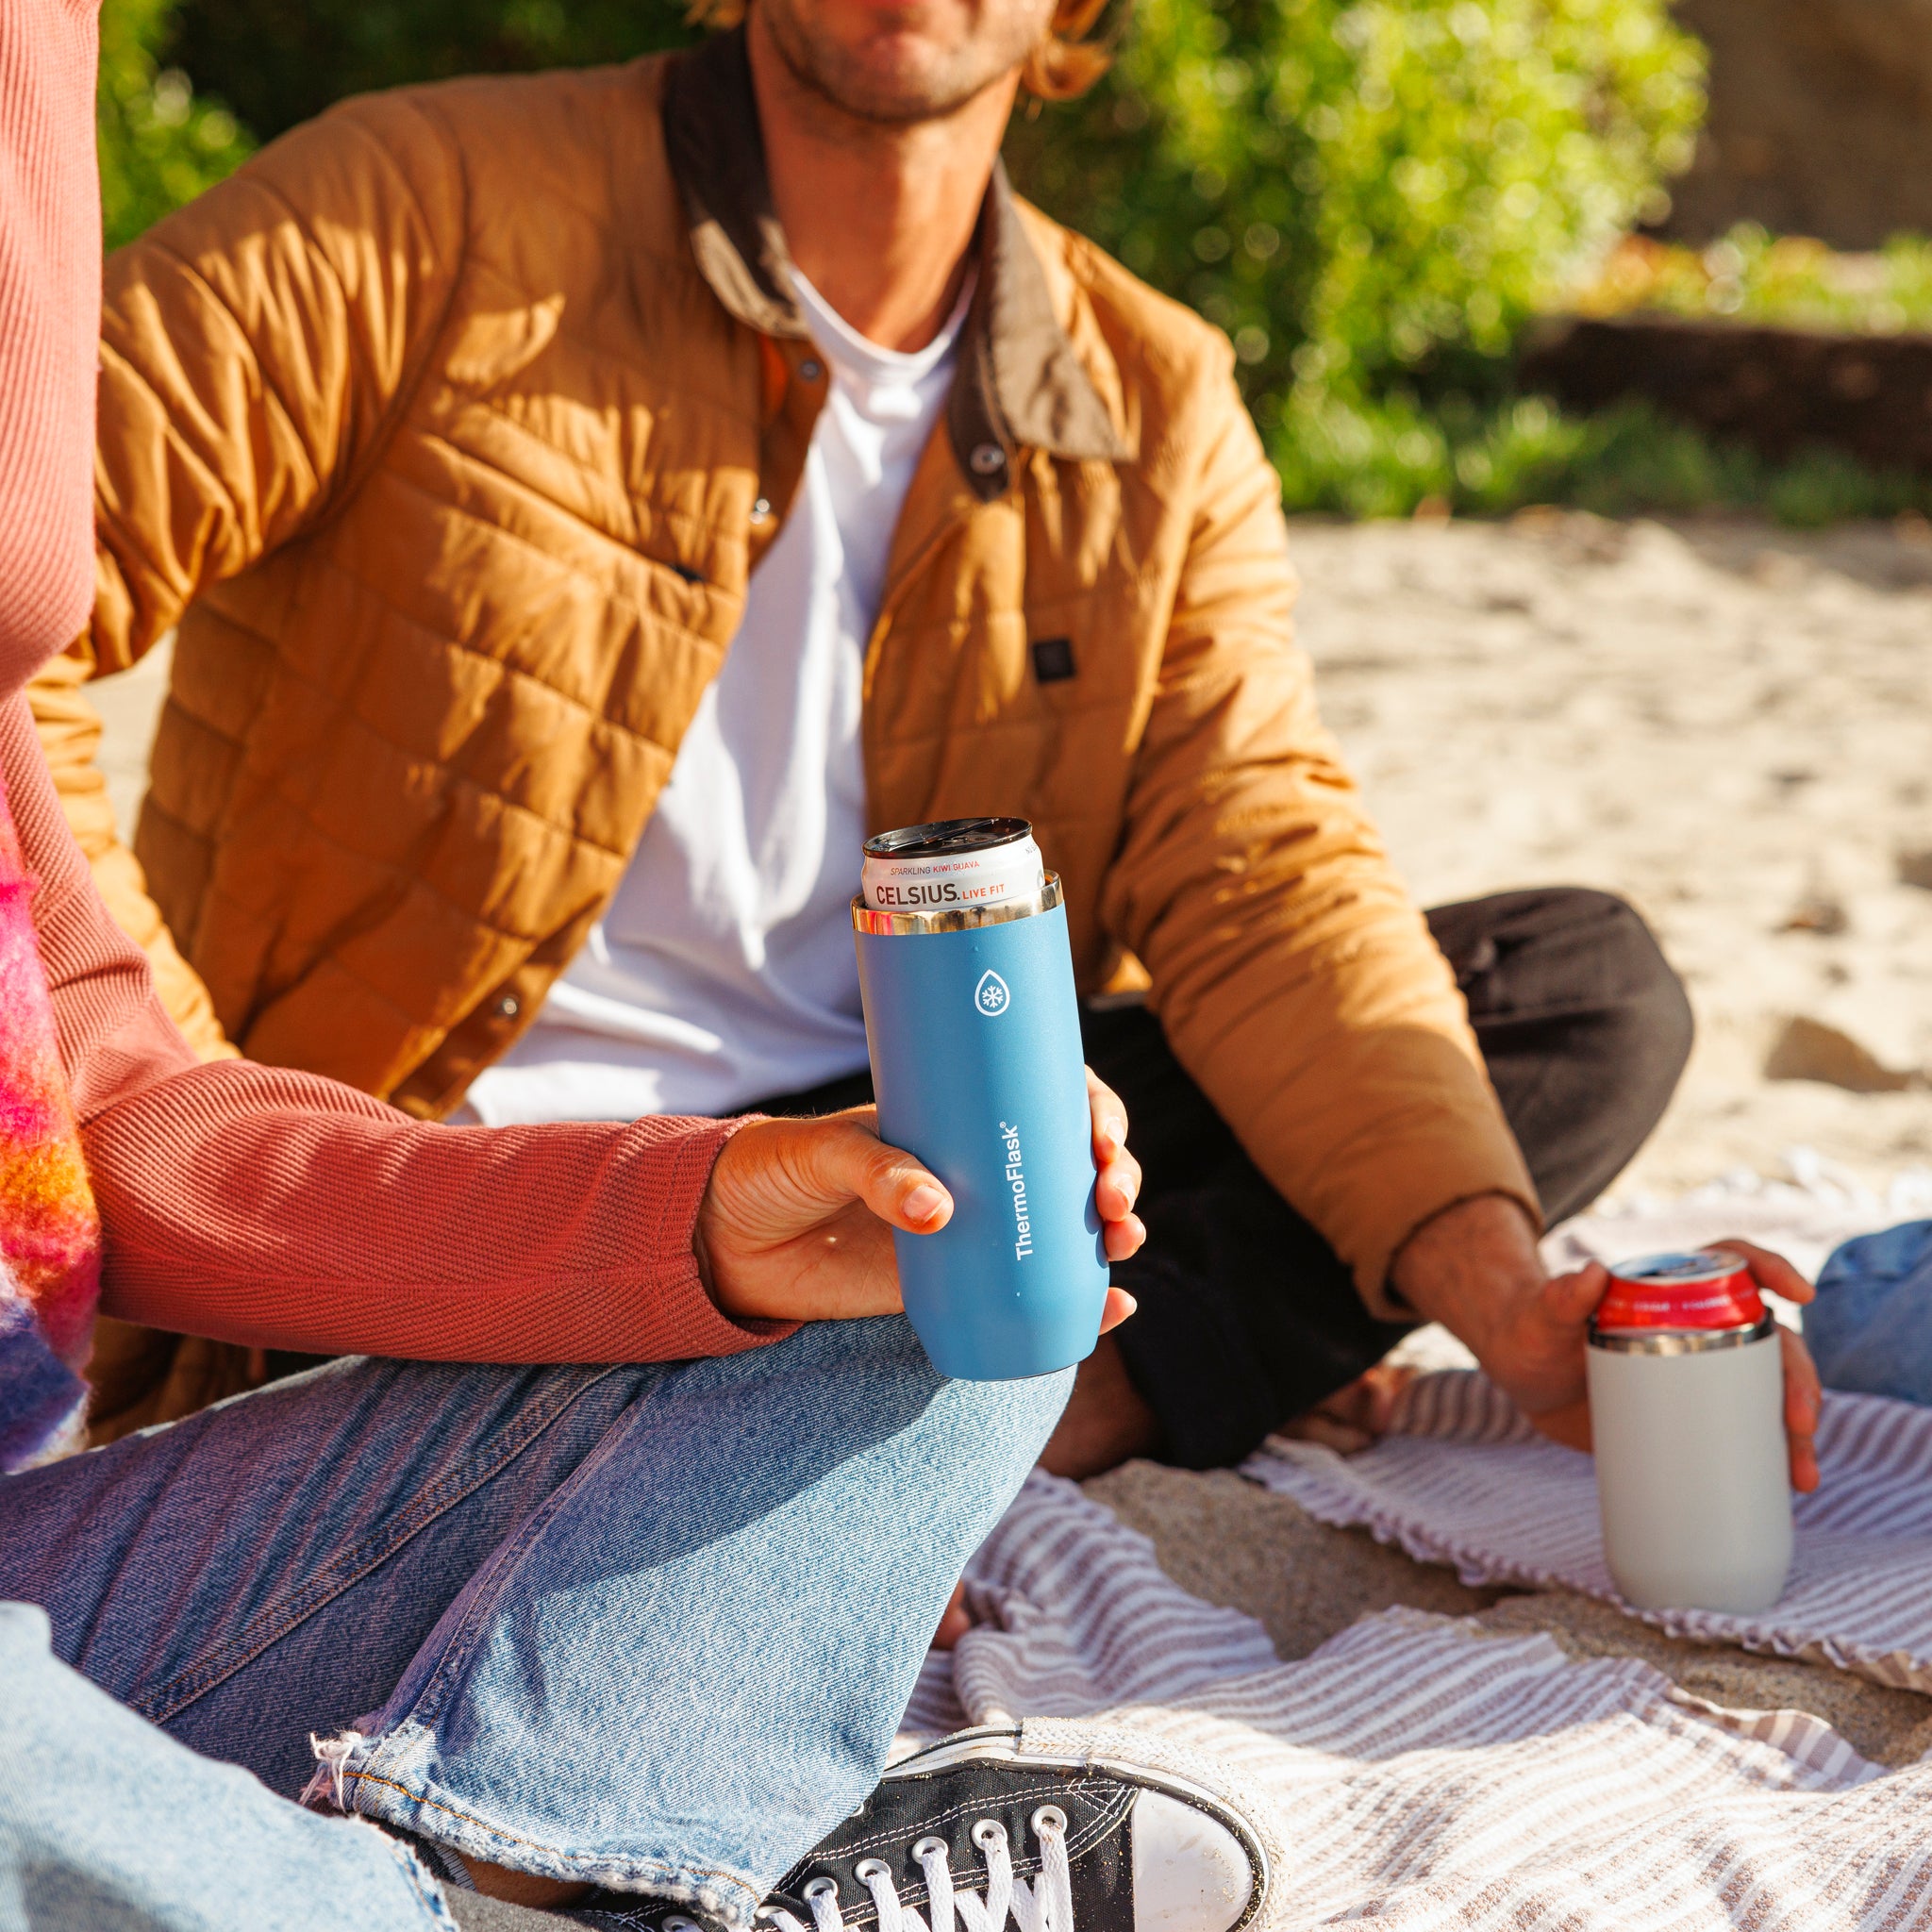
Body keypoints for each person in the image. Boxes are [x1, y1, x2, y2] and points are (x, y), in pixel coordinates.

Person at [0, 7, 1281, 1927]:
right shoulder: (427, 200)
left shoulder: (1147, 380)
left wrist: (699, 1221)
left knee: (972, 1226)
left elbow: (98, 1102)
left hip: (95, 1511)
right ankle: (576, 1882)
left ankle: (552, 1856)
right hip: (393, 1148)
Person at [42, 0, 1694, 1478]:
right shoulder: (418, 204)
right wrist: (202, 1108)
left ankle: (1044, 1412)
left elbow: (1268, 885)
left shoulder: (1156, 400)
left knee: (1574, 993)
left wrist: (1505, 1301)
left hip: (899, 1171)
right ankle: (873, 1448)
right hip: (442, 1194)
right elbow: (15, 630)